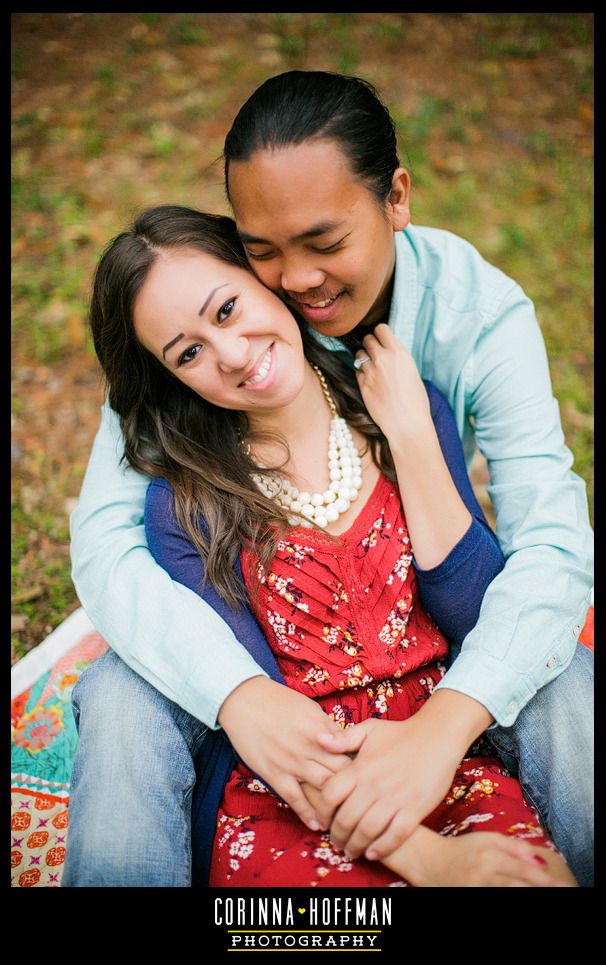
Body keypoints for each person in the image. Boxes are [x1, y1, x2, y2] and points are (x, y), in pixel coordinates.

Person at [64, 71, 593, 887]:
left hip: (437, 698)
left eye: (324, 242)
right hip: (286, 742)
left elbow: (551, 556)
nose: (298, 280)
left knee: (564, 670)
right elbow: (106, 550)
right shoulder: (188, 391)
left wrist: (445, 723)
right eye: (263, 251)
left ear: (396, 199)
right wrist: (239, 693)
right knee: (117, 692)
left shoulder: (474, 321)